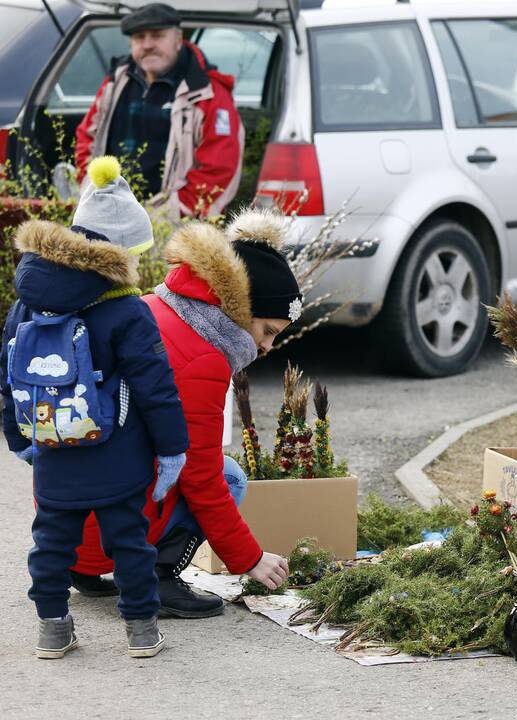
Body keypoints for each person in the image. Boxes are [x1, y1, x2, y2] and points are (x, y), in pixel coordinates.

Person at [70, 208, 301, 617]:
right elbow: (202, 476)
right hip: (110, 528)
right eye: (268, 332)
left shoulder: (152, 307)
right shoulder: (203, 356)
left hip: (68, 524)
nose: (266, 348)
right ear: (242, 308)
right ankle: (154, 579)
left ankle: (83, 570)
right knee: (229, 477)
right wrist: (248, 559)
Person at [1, 157, 189, 659]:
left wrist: (20, 438)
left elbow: (7, 370)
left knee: (51, 543)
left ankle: (53, 630)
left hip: (51, 445)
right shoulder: (127, 308)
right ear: (122, 249)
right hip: (118, 452)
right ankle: (142, 632)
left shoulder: (26, 301)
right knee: (129, 542)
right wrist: (173, 450)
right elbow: (157, 388)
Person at [75, 3, 244, 218]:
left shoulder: (207, 92)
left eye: (157, 36)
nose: (147, 45)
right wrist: (92, 189)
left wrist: (168, 215)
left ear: (178, 40)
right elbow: (86, 136)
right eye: (139, 37)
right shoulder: (115, 83)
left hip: (172, 225)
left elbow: (220, 170)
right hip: (109, 212)